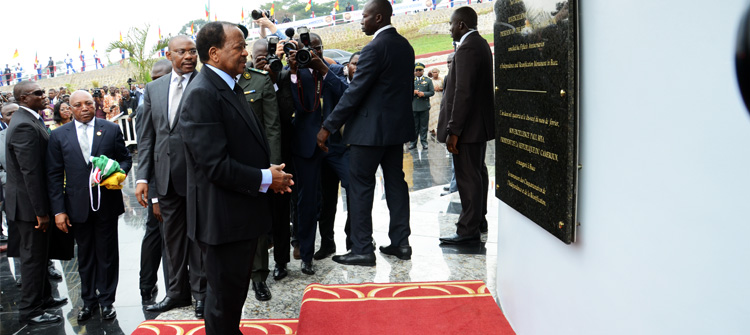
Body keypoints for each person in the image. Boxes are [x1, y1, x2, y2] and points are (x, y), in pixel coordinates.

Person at [180, 21, 293, 335]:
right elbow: (214, 165)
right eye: (239, 47)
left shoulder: (230, 84)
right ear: (214, 54)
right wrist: (266, 178)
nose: (246, 53)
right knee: (223, 302)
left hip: (239, 215)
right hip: (223, 219)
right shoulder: (203, 94)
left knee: (232, 298)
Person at [317, 0, 415, 266]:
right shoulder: (405, 46)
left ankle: (362, 249)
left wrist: (328, 126)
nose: (361, 21)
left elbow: (355, 92)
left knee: (360, 187)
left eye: (365, 16)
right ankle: (401, 243)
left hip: (368, 134)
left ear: (379, 17)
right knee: (396, 184)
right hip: (395, 132)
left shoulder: (373, 49)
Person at [46, 90, 132, 321]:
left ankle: (106, 301)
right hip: (76, 206)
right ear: (70, 109)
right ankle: (88, 301)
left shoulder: (111, 129)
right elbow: (54, 175)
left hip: (106, 203)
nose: (84, 108)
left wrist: (117, 171)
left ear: (94, 105)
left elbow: (125, 158)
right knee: (84, 256)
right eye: (77, 105)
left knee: (107, 254)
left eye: (88, 103)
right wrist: (58, 211)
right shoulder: (59, 135)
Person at [137, 35, 207, 318]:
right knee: (172, 239)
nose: (189, 56)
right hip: (164, 178)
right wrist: (143, 178)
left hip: (198, 177)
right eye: (182, 52)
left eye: (193, 52)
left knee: (198, 238)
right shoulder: (154, 88)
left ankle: (201, 294)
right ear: (169, 55)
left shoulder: (207, 83)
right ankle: (177, 293)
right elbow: (147, 137)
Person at [5, 81, 68, 325]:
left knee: (41, 255)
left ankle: (44, 298)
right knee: (32, 258)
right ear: (23, 98)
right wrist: (41, 212)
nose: (44, 95)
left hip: (30, 204)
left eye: (43, 92)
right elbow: (30, 172)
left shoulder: (30, 119)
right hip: (28, 207)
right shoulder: (23, 125)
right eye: (38, 93)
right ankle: (31, 310)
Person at [289, 33, 350, 273]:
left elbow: (347, 95)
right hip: (307, 147)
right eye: (307, 49)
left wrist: (323, 70)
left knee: (356, 186)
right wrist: (294, 71)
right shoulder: (297, 73)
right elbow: (294, 104)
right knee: (308, 201)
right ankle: (306, 255)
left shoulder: (332, 72)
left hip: (335, 144)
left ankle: (358, 243)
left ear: (322, 48)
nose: (312, 53)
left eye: (316, 48)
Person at [437, 7, 494, 244]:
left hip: (467, 129)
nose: (449, 28)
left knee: (468, 177)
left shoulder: (468, 48)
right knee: (477, 173)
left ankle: (467, 229)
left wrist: (454, 130)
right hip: (476, 127)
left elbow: (463, 93)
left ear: (461, 24)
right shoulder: (479, 44)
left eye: (451, 24)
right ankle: (478, 220)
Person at [238, 40, 282, 301]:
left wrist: (274, 167)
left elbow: (272, 126)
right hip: (227, 165)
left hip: (257, 165)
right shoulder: (212, 82)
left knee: (257, 224)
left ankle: (258, 277)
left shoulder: (259, 80)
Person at [136, 59, 172, 305]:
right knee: (156, 235)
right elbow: (147, 150)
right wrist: (155, 196)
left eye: (163, 77)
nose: (158, 83)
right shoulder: (145, 107)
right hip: (159, 187)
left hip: (180, 183)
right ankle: (147, 285)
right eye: (154, 78)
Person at [410, 62, 434, 150]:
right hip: (414, 106)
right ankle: (413, 143)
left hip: (424, 106)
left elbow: (432, 92)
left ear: (423, 71)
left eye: (420, 70)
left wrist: (424, 94)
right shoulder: (411, 80)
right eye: (417, 70)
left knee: (424, 126)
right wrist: (413, 92)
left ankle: (424, 142)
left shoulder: (428, 80)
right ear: (414, 71)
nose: (418, 71)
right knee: (414, 126)